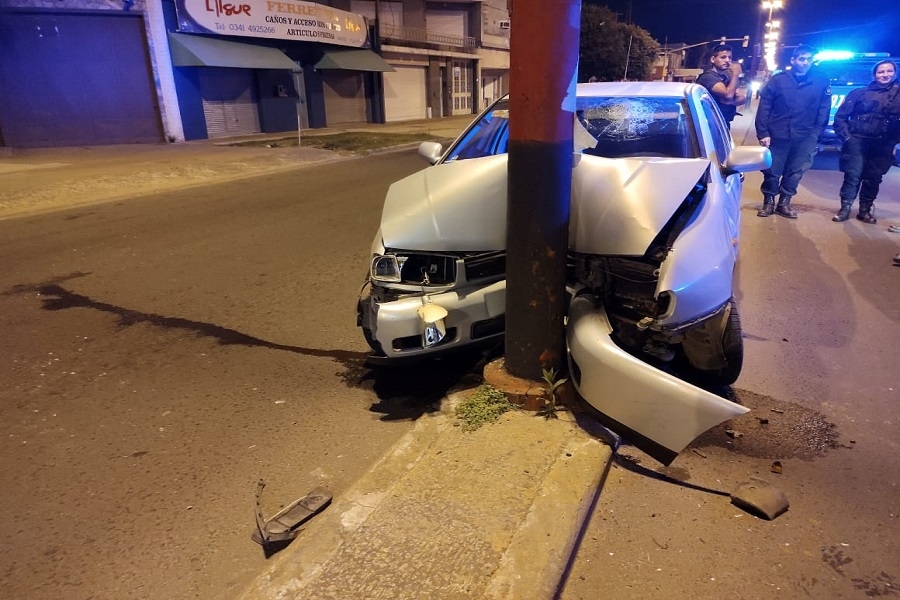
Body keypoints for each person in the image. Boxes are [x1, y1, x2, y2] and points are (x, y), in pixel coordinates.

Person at [755, 44, 832, 218]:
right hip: (777, 134)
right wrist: (763, 133)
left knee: (795, 171)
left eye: (809, 59)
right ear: (793, 60)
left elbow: (823, 109)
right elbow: (764, 108)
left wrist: (816, 133)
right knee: (772, 170)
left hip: (805, 136)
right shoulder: (778, 81)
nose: (805, 62)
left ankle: (784, 203)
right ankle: (768, 202)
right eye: (801, 59)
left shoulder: (821, 81)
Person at [831, 59, 900, 224]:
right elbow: (840, 118)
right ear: (875, 74)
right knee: (852, 176)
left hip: (883, 144)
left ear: (895, 73)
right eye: (881, 72)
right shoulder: (858, 93)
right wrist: (847, 138)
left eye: (889, 71)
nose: (885, 75)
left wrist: (895, 142)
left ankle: (865, 211)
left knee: (873, 178)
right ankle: (845, 209)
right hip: (857, 141)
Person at [696, 44, 747, 129]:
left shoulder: (726, 77)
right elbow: (728, 95)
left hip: (723, 123)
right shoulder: (708, 77)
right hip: (709, 125)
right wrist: (736, 73)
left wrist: (729, 101)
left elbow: (742, 98)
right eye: (723, 57)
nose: (727, 60)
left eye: (729, 57)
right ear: (713, 59)